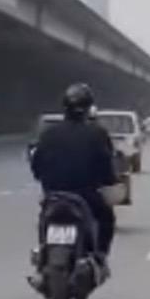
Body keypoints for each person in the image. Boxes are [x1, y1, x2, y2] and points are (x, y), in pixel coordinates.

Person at [30, 82, 119, 259]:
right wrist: (110, 181)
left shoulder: (49, 133)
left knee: (43, 218)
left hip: (54, 196)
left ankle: (42, 252)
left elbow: (36, 167)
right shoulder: (97, 133)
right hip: (86, 197)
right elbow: (107, 169)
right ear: (88, 108)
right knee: (107, 218)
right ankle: (100, 256)